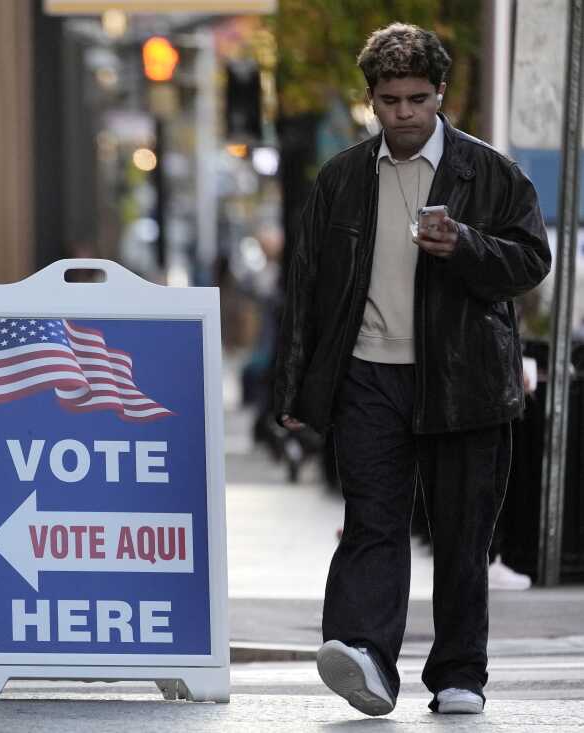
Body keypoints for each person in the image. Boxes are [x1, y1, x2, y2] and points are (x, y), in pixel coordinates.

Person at [273, 23, 550, 717]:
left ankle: (460, 672)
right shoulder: (341, 179)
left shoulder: (487, 173)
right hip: (369, 374)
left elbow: (530, 262)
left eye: (418, 98)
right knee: (372, 520)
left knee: (463, 530)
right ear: (370, 98)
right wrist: (295, 390)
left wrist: (465, 245)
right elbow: (307, 288)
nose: (404, 112)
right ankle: (364, 652)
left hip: (462, 379)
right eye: (391, 99)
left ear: (441, 95)